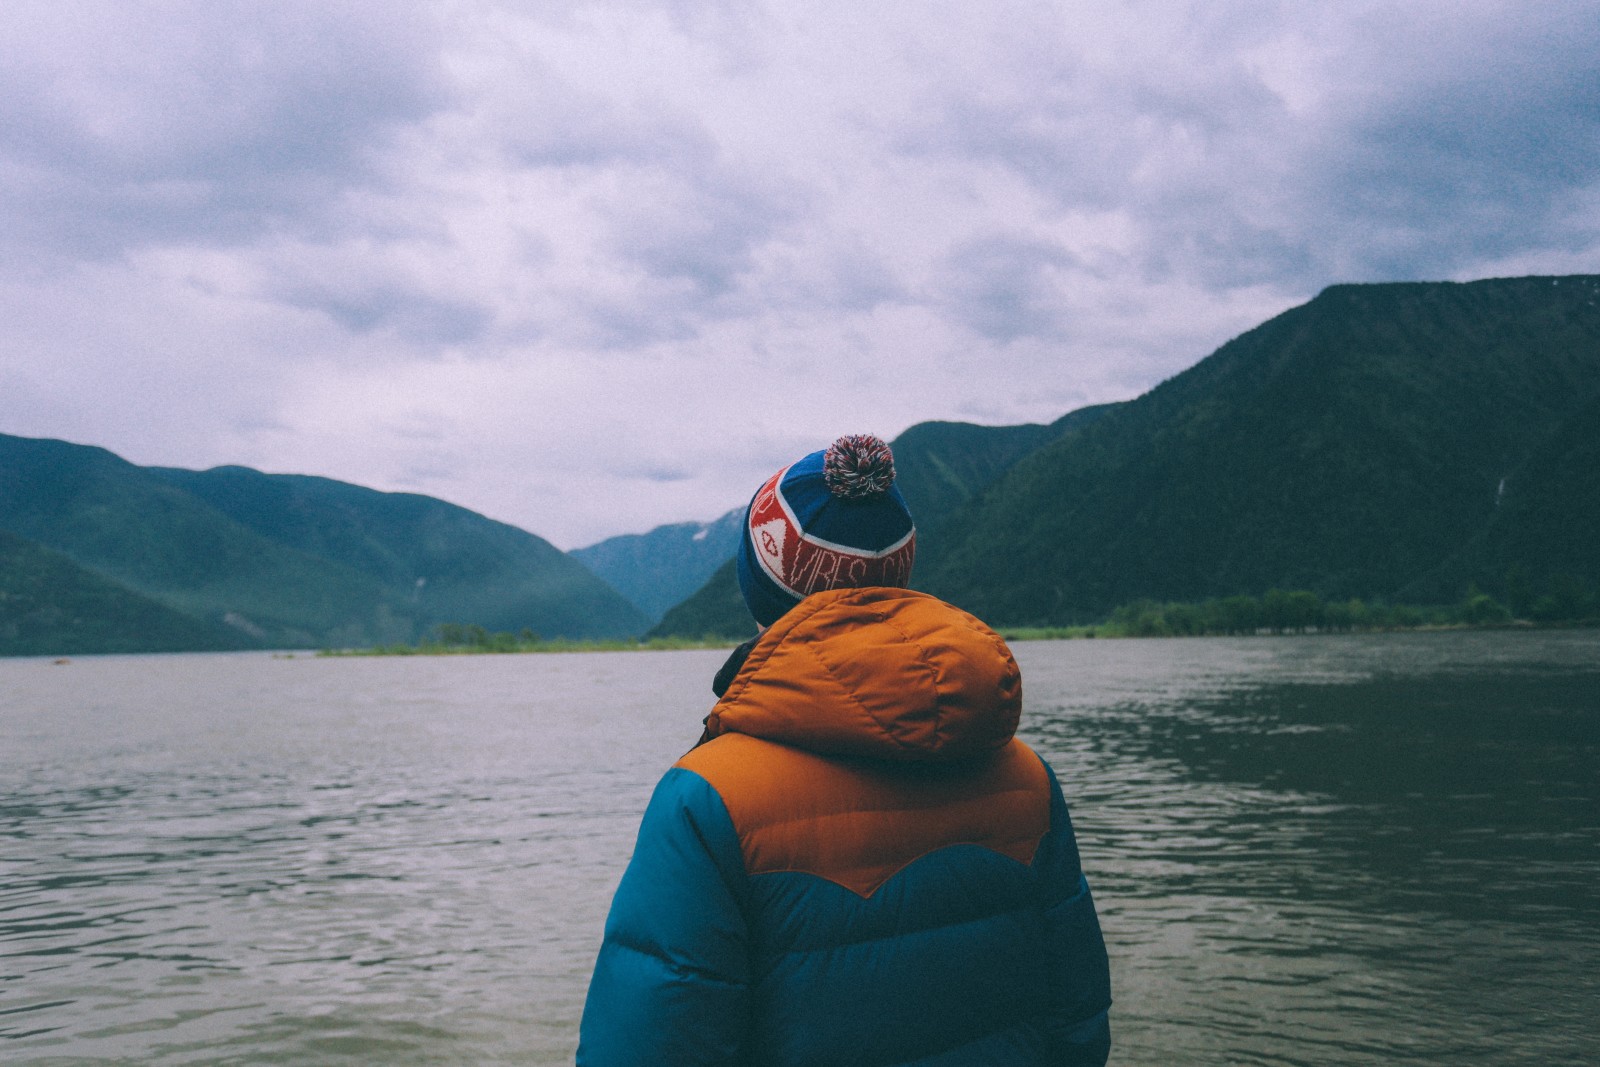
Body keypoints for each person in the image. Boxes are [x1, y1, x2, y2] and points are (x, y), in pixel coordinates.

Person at [577, 434, 1111, 1066]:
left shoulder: (709, 798)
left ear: (766, 590)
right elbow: (1079, 1023)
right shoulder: (1026, 778)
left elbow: (648, 1047)